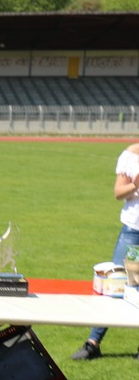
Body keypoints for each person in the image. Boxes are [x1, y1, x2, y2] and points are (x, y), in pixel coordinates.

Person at [72, 142, 139, 360]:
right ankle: (93, 343)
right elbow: (119, 192)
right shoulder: (131, 155)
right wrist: (135, 186)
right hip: (133, 231)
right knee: (116, 286)